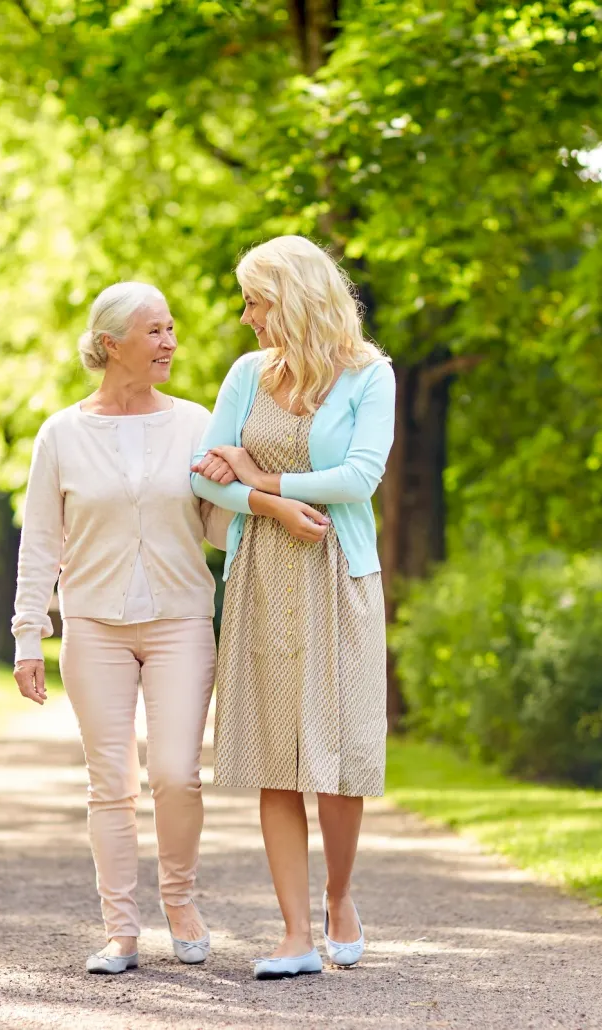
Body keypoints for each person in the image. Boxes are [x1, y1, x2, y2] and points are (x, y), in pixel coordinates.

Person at [192, 235, 395, 980]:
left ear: (297, 299)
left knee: (337, 757)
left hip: (341, 576)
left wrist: (261, 478)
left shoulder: (371, 377)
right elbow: (205, 473)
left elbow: (359, 478)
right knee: (277, 758)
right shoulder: (248, 375)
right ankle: (293, 934)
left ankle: (341, 901)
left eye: (257, 300)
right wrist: (262, 504)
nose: (245, 317)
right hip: (262, 576)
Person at [11, 281, 226, 974]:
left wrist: (238, 479)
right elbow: (40, 541)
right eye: (156, 331)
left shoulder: (196, 422)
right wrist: (27, 636)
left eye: (171, 328)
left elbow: (219, 531)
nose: (171, 342)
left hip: (180, 618)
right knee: (111, 784)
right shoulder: (62, 434)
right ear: (112, 345)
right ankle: (120, 931)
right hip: (95, 626)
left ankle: (181, 900)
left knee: (175, 774)